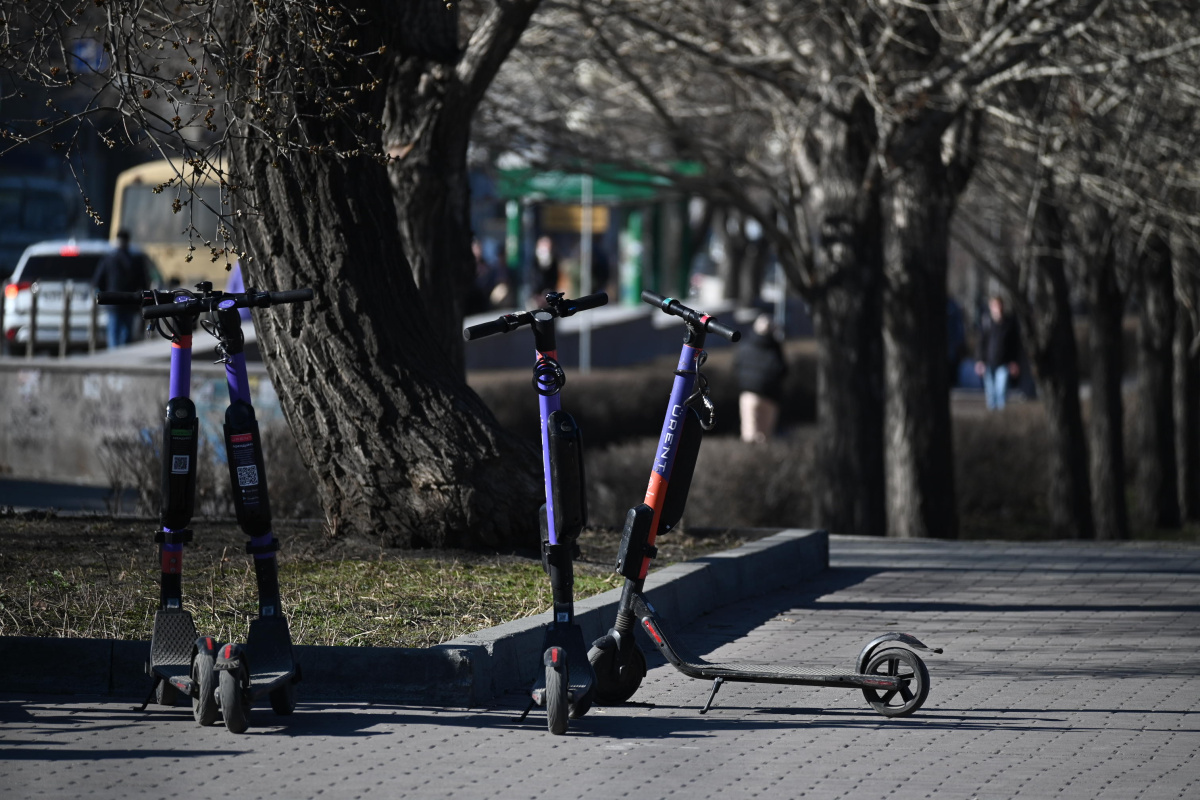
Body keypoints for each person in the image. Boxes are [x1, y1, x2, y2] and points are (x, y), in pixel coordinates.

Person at [92, 229, 151, 348]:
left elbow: (97, 280)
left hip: (113, 302)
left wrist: (105, 294)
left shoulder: (109, 258)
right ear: (128, 241)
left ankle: (114, 357)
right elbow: (144, 282)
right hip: (131, 301)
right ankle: (125, 356)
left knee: (113, 333)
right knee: (127, 333)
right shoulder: (135, 259)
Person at [737, 312, 788, 443]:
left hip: (749, 394)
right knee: (765, 437)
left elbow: (737, 366)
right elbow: (782, 370)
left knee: (749, 434)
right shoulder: (775, 348)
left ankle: (749, 461)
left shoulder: (745, 345)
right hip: (769, 396)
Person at [974, 295, 1022, 410]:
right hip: (988, 363)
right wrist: (979, 361)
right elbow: (981, 343)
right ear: (991, 307)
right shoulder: (986, 323)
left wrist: (1014, 362)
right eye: (995, 306)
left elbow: (1015, 345)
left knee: (1001, 392)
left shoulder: (1009, 323)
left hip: (1004, 363)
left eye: (999, 305)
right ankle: (992, 421)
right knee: (991, 395)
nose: (998, 308)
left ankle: (1001, 419)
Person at [528, 235, 559, 306]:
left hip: (549, 294)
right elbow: (532, 279)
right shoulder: (533, 261)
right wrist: (537, 295)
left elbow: (554, 278)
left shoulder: (553, 261)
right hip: (535, 295)